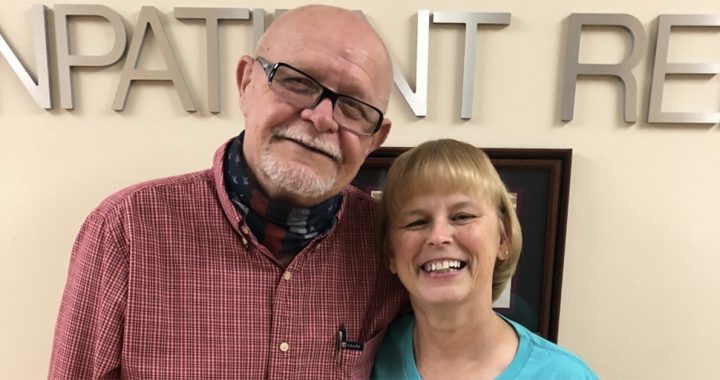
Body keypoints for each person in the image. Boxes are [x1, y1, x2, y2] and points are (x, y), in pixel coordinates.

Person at [49, 5, 406, 379]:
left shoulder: (388, 245)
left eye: (353, 106)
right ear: (246, 83)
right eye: (298, 82)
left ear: (375, 139)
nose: (321, 117)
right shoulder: (126, 230)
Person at [371, 139, 597, 379]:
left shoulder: (564, 375)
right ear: (391, 253)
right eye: (417, 222)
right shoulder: (367, 359)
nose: (438, 236)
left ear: (504, 237)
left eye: (462, 216)